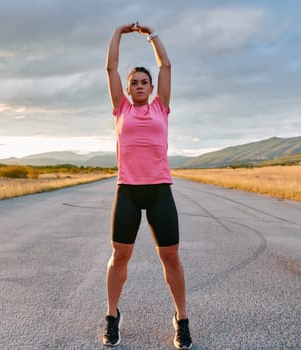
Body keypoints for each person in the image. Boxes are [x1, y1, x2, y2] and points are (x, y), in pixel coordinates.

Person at [102, 22, 193, 349]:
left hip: (159, 191)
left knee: (171, 257)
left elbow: (166, 65)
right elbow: (110, 66)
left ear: (152, 87)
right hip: (127, 190)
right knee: (120, 256)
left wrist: (151, 34)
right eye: (134, 83)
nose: (139, 86)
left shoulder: (161, 108)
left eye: (144, 82)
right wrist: (119, 33)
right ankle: (112, 315)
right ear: (127, 90)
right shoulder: (121, 109)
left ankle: (181, 319)